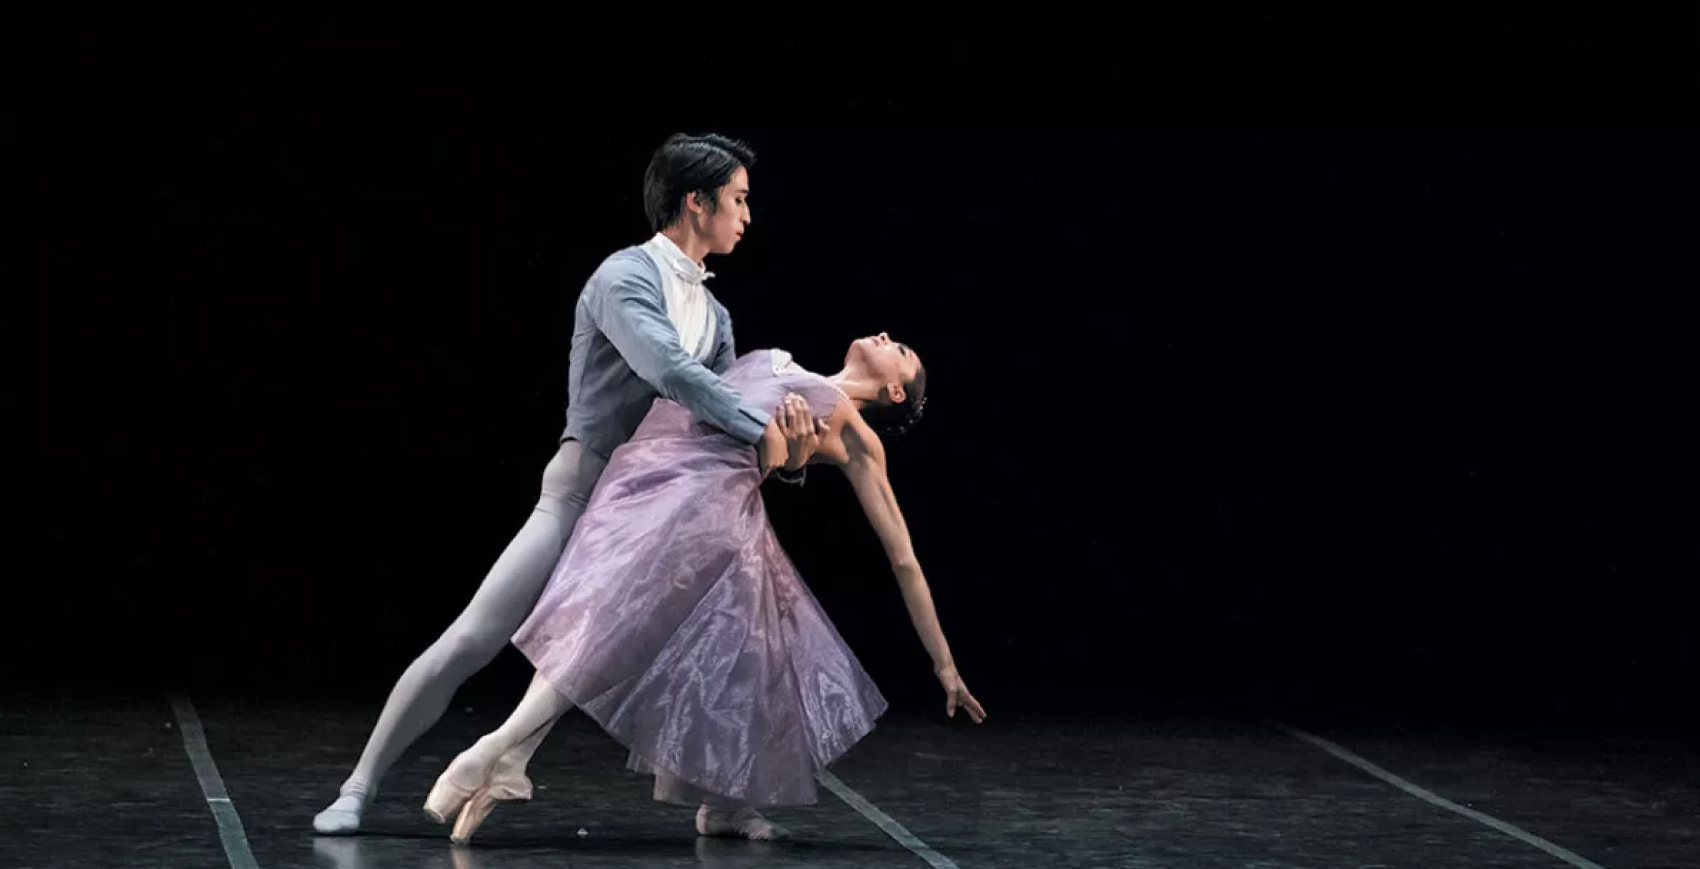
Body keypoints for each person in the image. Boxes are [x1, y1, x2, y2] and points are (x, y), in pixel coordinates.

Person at [313, 133, 827, 835]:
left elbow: (719, 421)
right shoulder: (623, 277)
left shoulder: (716, 317)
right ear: (695, 202)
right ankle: (358, 784)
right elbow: (669, 370)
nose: (746, 214)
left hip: (654, 513)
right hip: (582, 496)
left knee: (718, 639)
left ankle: (723, 803)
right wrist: (759, 426)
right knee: (473, 637)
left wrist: (789, 453)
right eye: (737, 200)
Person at [420, 335, 986, 845]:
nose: (886, 337)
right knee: (685, 642)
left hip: (704, 509)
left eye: (902, 351)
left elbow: (903, 558)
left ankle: (499, 749)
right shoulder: (782, 360)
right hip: (656, 472)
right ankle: (704, 801)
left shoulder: (856, 435)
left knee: (643, 631)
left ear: (894, 391)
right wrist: (787, 460)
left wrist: (944, 664)